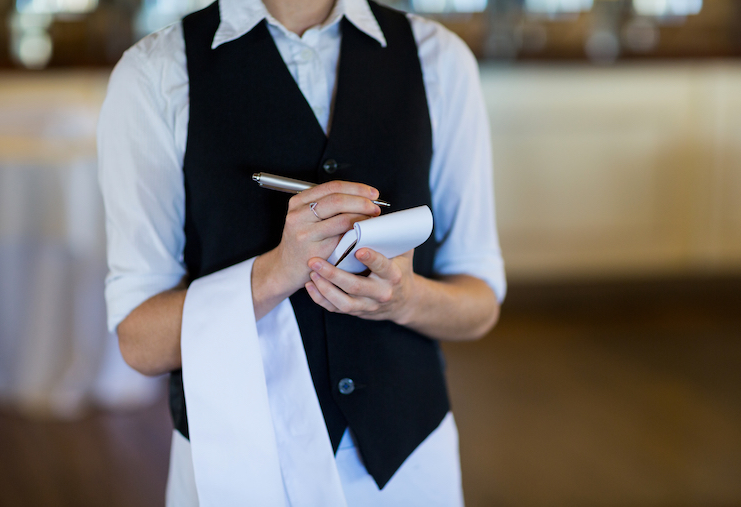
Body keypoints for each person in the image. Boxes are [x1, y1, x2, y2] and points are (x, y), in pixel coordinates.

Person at [97, 0, 505, 503]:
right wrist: (274, 273)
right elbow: (140, 341)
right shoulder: (154, 74)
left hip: (408, 465)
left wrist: (406, 299)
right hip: (238, 469)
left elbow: (480, 306)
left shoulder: (440, 59)